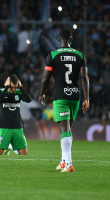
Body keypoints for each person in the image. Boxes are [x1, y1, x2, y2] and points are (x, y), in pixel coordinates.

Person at [39, 28, 90, 173]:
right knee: (67, 130)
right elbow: (84, 78)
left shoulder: (53, 55)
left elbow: (46, 78)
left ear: (59, 39)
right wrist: (87, 98)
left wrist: (41, 93)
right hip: (75, 96)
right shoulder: (80, 55)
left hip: (60, 96)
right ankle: (63, 161)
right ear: (71, 40)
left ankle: (69, 164)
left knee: (64, 129)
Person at [0, 74, 31, 156]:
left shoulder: (18, 92)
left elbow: (28, 99)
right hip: (5, 126)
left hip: (17, 127)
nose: (14, 89)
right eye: (12, 87)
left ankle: (8, 146)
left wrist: (21, 87)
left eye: (15, 87)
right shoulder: (0, 91)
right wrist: (7, 88)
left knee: (23, 154)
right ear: (7, 84)